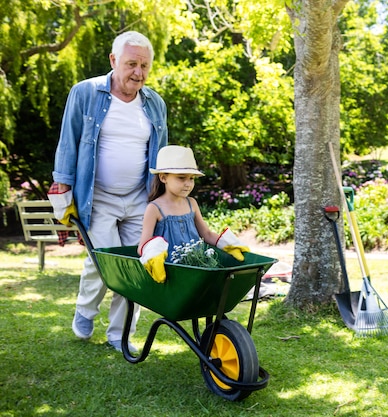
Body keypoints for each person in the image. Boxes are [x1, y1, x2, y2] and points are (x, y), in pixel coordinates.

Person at [52, 31, 168, 353]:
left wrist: (163, 196)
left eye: (145, 65)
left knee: (137, 266)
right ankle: (85, 309)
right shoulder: (86, 93)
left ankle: (120, 334)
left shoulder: (155, 103)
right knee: (104, 261)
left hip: (138, 197)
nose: (138, 73)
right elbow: (68, 140)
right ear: (113, 61)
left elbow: (160, 155)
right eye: (131, 64)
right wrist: (63, 188)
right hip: (97, 195)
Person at [137, 146, 249, 282]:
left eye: (191, 178)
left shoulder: (191, 203)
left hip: (197, 265)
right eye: (181, 178)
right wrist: (153, 256)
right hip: (170, 271)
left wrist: (227, 243)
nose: (188, 184)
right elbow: (142, 246)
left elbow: (206, 234)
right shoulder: (154, 208)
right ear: (163, 177)